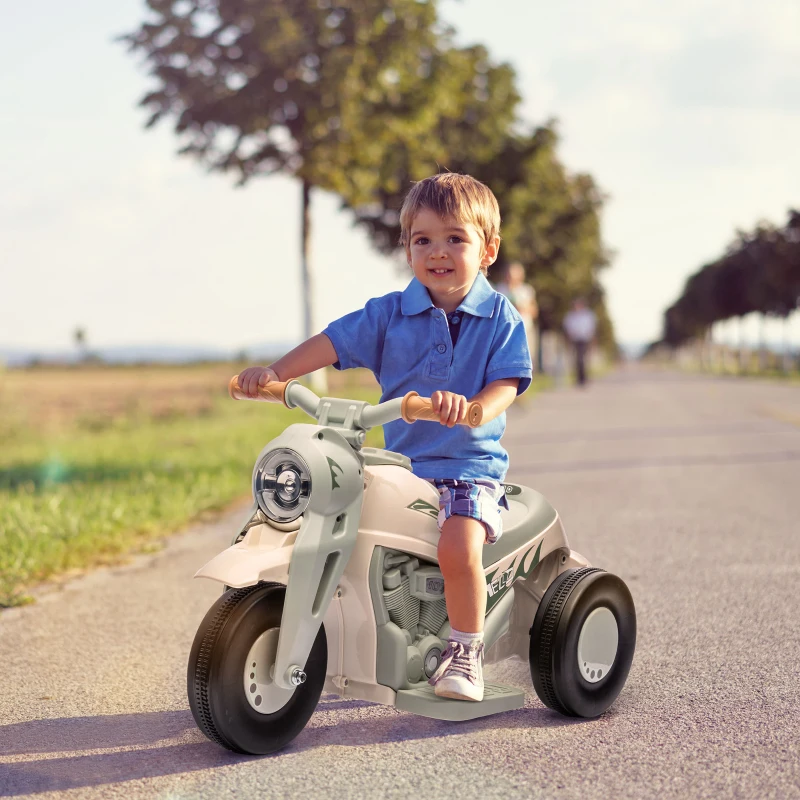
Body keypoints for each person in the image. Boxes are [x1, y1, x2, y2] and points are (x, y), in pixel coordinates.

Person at [237, 173, 532, 702]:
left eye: (455, 239)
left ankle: (466, 651)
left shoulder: (500, 317)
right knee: (324, 506)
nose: (437, 252)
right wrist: (276, 374)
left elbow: (507, 381)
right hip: (400, 464)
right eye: (423, 240)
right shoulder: (391, 313)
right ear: (407, 247)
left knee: (459, 544)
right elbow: (332, 342)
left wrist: (475, 410)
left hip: (465, 469)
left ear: (488, 250)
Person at [495, 262, 539, 372]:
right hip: (504, 330)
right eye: (509, 274)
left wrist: (523, 308)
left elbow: (534, 311)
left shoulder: (526, 290)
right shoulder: (499, 289)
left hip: (525, 329)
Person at [563, 297, 597, 386]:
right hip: (575, 339)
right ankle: (579, 378)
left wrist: (591, 338)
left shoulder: (588, 315)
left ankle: (583, 378)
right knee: (577, 359)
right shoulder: (570, 316)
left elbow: (591, 327)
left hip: (585, 339)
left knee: (583, 359)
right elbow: (568, 328)